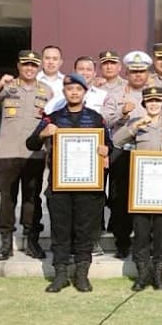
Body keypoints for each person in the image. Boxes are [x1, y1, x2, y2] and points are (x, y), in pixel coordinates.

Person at [26, 73, 111, 292]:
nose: (74, 92)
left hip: (88, 186)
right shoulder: (51, 118)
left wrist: (105, 150)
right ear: (64, 92)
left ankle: (82, 275)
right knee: (60, 230)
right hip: (59, 186)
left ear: (84, 92)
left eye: (78, 89)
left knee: (85, 231)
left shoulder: (95, 118)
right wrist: (44, 133)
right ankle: (60, 275)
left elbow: (108, 145)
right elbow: (31, 143)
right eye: (70, 89)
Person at [0, 50, 53, 261]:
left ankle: (31, 240)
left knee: (32, 199)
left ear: (38, 68)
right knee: (7, 198)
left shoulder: (46, 91)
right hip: (8, 153)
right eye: (25, 65)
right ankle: (5, 243)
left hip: (34, 154)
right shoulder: (8, 88)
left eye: (33, 65)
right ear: (19, 66)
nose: (29, 68)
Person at [112, 87, 162, 291]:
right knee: (141, 230)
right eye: (149, 101)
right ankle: (143, 273)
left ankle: (159, 273)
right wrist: (135, 127)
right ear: (144, 104)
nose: (153, 104)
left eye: (157, 101)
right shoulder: (136, 124)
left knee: (161, 230)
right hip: (141, 189)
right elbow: (117, 141)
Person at [101, 50, 152, 258]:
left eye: (142, 71)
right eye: (134, 71)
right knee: (120, 199)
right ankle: (122, 242)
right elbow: (104, 120)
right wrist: (122, 113)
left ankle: (143, 241)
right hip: (122, 152)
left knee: (145, 198)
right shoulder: (115, 95)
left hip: (147, 154)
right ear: (127, 73)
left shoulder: (155, 93)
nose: (138, 75)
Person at [38, 45, 65, 113]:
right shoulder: (34, 80)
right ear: (41, 61)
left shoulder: (67, 82)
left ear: (61, 62)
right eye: (47, 58)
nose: (51, 62)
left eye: (55, 59)